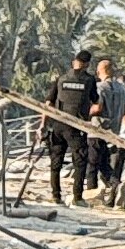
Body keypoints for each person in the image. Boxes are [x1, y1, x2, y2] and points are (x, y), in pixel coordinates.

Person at [47, 52, 99, 205]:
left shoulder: (61, 79)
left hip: (57, 125)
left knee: (56, 161)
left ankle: (55, 196)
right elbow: (96, 101)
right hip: (76, 126)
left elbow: (48, 103)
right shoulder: (89, 80)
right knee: (80, 161)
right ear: (87, 64)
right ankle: (77, 197)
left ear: (74, 62)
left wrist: (44, 125)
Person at [88, 58, 125, 207]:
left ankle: (92, 196)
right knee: (104, 165)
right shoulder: (122, 88)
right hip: (113, 131)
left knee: (92, 165)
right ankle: (120, 190)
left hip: (97, 129)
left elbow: (97, 108)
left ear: (99, 71)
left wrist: (84, 112)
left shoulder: (99, 87)